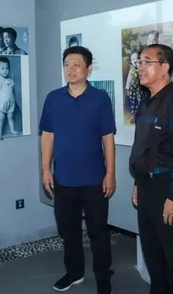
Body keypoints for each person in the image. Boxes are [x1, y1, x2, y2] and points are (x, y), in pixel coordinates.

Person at [40, 46, 116, 294]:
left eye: (76, 65)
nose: (70, 70)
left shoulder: (100, 98)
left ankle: (103, 277)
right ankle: (74, 272)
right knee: (68, 231)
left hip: (94, 179)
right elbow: (47, 136)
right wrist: (45, 170)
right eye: (67, 65)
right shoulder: (53, 98)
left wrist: (110, 173)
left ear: (88, 69)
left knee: (98, 232)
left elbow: (107, 138)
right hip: (63, 179)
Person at [129, 44, 173, 294]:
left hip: (167, 188)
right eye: (139, 62)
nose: (140, 68)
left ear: (165, 67)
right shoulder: (147, 103)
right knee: (153, 254)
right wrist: (138, 182)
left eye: (147, 62)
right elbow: (144, 149)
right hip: (147, 185)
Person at [0, 56, 19, 138]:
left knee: (10, 117)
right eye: (2, 69)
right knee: (1, 117)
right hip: (2, 103)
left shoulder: (11, 80)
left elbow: (13, 91)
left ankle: (12, 130)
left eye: (7, 68)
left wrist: (14, 100)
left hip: (11, 102)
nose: (5, 71)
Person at [125, 51, 148, 123]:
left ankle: (142, 116)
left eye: (136, 59)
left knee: (141, 102)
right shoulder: (131, 70)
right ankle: (134, 116)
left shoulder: (141, 69)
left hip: (140, 89)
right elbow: (129, 79)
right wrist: (127, 89)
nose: (135, 61)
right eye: (133, 59)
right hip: (133, 90)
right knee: (133, 102)